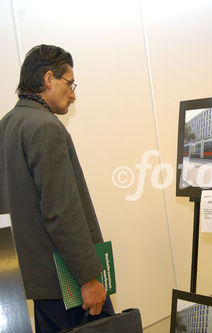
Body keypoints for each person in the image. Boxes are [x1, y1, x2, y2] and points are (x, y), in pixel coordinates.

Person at [0, 45, 113, 332]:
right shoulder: (44, 127)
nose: (73, 94)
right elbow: (60, 213)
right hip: (68, 282)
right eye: (70, 83)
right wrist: (88, 279)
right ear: (49, 79)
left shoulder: (9, 125)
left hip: (40, 281)